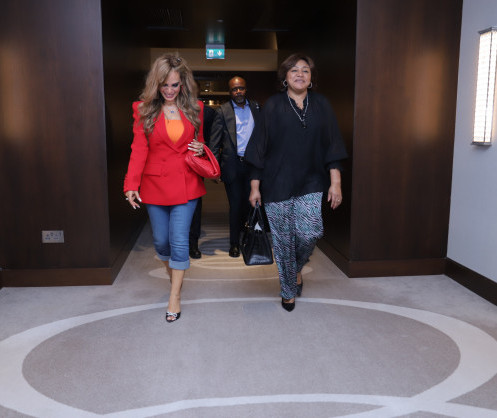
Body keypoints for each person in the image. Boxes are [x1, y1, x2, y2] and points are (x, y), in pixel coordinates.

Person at [245, 53, 348, 312]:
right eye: (294, 70)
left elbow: (333, 145)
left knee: (310, 232)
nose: (299, 74)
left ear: (311, 78)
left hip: (312, 181)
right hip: (276, 183)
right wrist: (255, 187)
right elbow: (258, 147)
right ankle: (288, 291)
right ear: (285, 77)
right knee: (283, 242)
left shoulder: (322, 104)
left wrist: (335, 182)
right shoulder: (273, 105)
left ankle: (296, 269)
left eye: (305, 70)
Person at [123, 54, 206, 323]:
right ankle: (175, 278)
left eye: (175, 85)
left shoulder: (196, 108)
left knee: (179, 239)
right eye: (164, 85)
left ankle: (175, 296)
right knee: (161, 241)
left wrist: (200, 148)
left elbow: (200, 143)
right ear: (156, 84)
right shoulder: (143, 109)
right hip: (155, 184)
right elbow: (139, 149)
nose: (169, 90)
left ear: (183, 84)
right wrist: (131, 184)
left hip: (186, 182)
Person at [210, 76, 261, 257]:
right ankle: (234, 243)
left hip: (253, 166)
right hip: (232, 166)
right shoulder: (222, 111)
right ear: (229, 91)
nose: (238, 92)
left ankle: (249, 239)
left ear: (246, 89)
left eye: (241, 88)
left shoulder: (256, 107)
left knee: (251, 204)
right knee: (236, 205)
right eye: (234, 89)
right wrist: (214, 168)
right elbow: (214, 142)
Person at [188, 101, 216, 259]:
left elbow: (212, 138)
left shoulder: (206, 112)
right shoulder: (165, 108)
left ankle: (193, 243)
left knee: (194, 204)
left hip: (194, 164)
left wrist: (204, 148)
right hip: (171, 165)